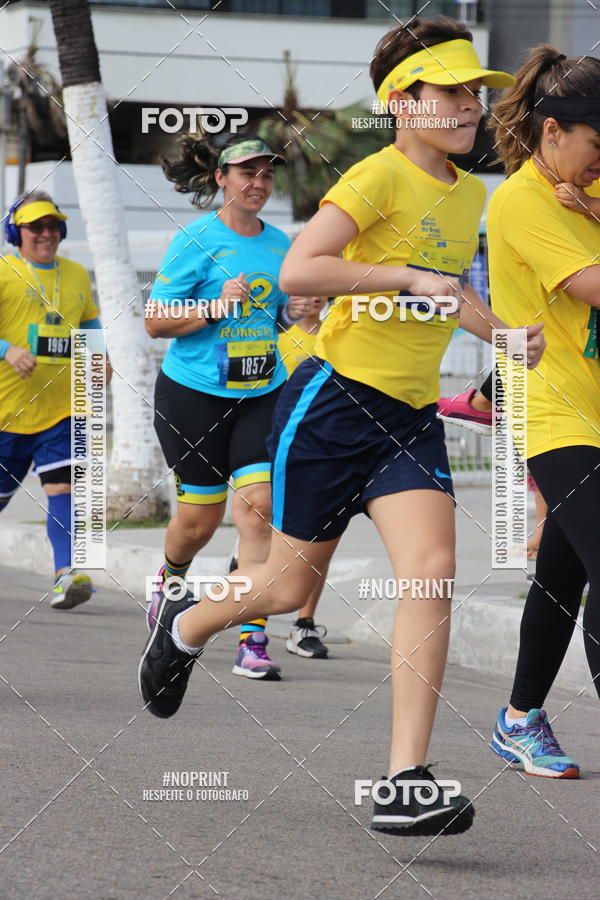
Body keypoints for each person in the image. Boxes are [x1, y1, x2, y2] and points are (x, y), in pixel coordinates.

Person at [139, 19, 544, 834]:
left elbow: (446, 291)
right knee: (288, 589)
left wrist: (502, 334)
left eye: (476, 93)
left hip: (411, 417)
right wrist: (399, 272)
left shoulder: (470, 192)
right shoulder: (375, 177)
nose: (470, 105)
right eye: (453, 91)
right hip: (332, 405)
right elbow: (300, 269)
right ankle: (186, 624)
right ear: (404, 103)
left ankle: (405, 779)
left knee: (431, 572)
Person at [145, 131, 308, 681]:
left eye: (266, 175)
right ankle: (169, 583)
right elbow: (155, 321)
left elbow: (286, 315)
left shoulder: (283, 246)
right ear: (221, 180)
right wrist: (215, 306)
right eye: (247, 174)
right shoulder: (195, 239)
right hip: (192, 396)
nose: (258, 184)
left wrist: (304, 308)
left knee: (258, 506)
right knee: (198, 523)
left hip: (260, 393)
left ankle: (252, 636)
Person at [485, 47, 600, 779]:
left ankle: (520, 719)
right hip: (554, 412)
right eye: (597, 146)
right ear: (553, 131)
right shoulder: (523, 200)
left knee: (562, 574)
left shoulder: (585, 187)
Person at [0, 190, 106, 608]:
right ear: (17, 232)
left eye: (53, 226)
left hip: (61, 408)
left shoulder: (77, 274)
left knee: (61, 487)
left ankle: (65, 575)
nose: (46, 234)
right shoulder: (4, 272)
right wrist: (7, 350)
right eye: (35, 227)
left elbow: (90, 321)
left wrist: (100, 359)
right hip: (7, 412)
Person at [278, 296, 331, 658]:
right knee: (263, 538)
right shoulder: (276, 338)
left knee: (321, 542)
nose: (311, 298)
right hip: (282, 445)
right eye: (304, 290)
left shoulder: (338, 335)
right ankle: (247, 624)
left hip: (328, 448)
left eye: (319, 291)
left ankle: (304, 625)